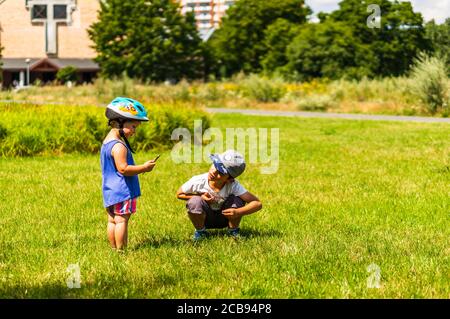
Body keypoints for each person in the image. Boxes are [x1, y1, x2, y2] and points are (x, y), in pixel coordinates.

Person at [101, 97, 157, 251]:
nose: (134, 131)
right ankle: (121, 250)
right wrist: (144, 167)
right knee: (121, 221)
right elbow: (124, 169)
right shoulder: (119, 146)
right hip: (122, 191)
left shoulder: (107, 142)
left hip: (109, 190)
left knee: (112, 220)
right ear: (119, 122)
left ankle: (114, 249)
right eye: (133, 126)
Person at [176, 150, 262, 240]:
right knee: (194, 201)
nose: (214, 172)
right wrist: (200, 197)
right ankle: (201, 232)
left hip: (226, 218)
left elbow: (257, 203)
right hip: (204, 218)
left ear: (229, 179)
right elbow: (179, 194)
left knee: (237, 199)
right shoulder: (198, 180)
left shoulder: (233, 185)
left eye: (220, 173)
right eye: (215, 165)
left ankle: (233, 231)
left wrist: (238, 212)